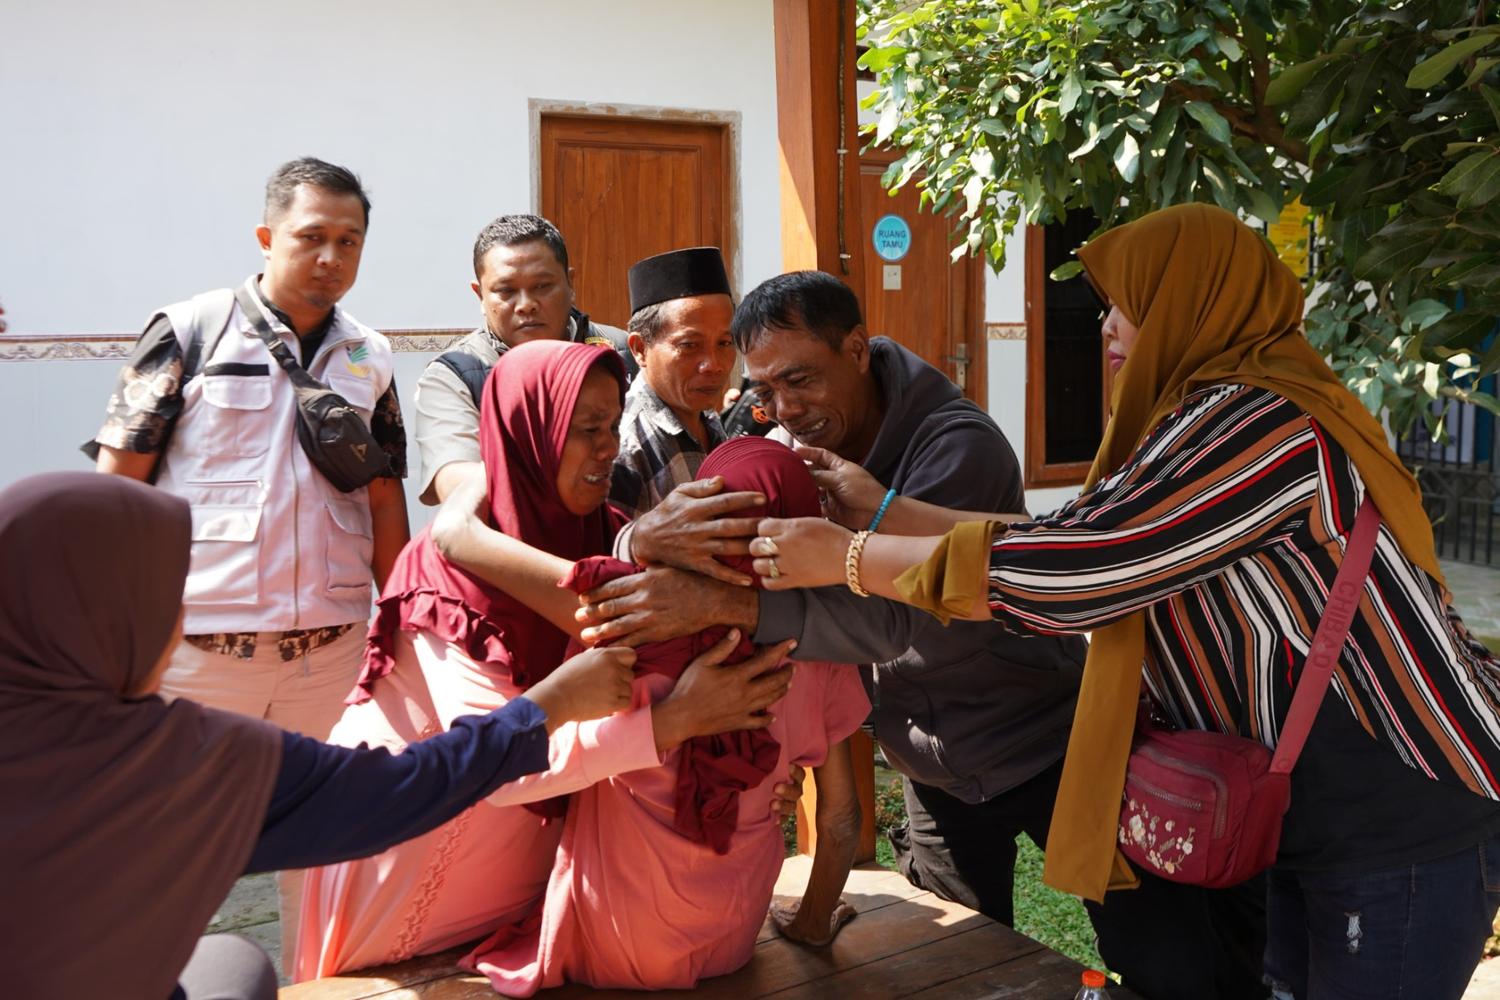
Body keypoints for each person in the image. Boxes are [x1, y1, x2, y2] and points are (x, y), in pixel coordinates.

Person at [749, 204, 1500, 1000]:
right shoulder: (1192, 415)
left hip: (1396, 808)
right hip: (1308, 805)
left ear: (1189, 307)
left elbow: (1077, 574)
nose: (1105, 323)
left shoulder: (1260, 427)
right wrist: (891, 514)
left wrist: (849, 557)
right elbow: (1081, 531)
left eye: (1127, 303)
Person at [575, 271, 1092, 935]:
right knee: (960, 952)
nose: (785, 409)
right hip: (926, 758)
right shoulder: (795, 448)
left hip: (1036, 739)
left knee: (1149, 949)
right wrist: (640, 536)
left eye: (801, 379)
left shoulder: (958, 447)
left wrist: (719, 607)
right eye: (766, 390)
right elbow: (717, 552)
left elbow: (889, 625)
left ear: (855, 349)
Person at [0, 472, 640, 1000]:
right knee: (235, 969)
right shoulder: (180, 763)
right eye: (168, 598)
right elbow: (395, 793)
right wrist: (547, 706)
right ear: (112, 617)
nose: (184, 621)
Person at [296, 340, 797, 979]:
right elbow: (496, 768)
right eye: (584, 430)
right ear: (530, 433)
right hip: (412, 860)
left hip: (526, 874)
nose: (608, 447)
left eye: (612, 425)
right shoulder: (446, 573)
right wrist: (674, 722)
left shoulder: (608, 535)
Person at [88, 156, 410, 965]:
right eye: (311, 237)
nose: (331, 257)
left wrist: (399, 617)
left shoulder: (372, 356)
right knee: (168, 853)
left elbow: (381, 497)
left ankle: (314, 982)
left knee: (328, 849)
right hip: (201, 658)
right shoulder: (191, 330)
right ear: (268, 237)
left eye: (350, 240)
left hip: (326, 660)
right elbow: (117, 485)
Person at [464, 436, 866, 994]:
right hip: (733, 938)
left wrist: (655, 728)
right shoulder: (819, 650)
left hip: (617, 939)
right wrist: (813, 923)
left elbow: (510, 770)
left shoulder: (630, 627)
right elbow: (841, 822)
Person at [413, 214, 636, 506]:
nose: (526, 305)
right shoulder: (453, 376)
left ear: (570, 283)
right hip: (512, 549)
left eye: (542, 286)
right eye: (506, 291)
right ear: (480, 295)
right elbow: (455, 483)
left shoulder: (622, 352)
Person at [609, 246, 736, 517]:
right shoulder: (625, 446)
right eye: (690, 345)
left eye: (725, 343)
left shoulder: (708, 420)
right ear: (640, 349)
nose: (713, 365)